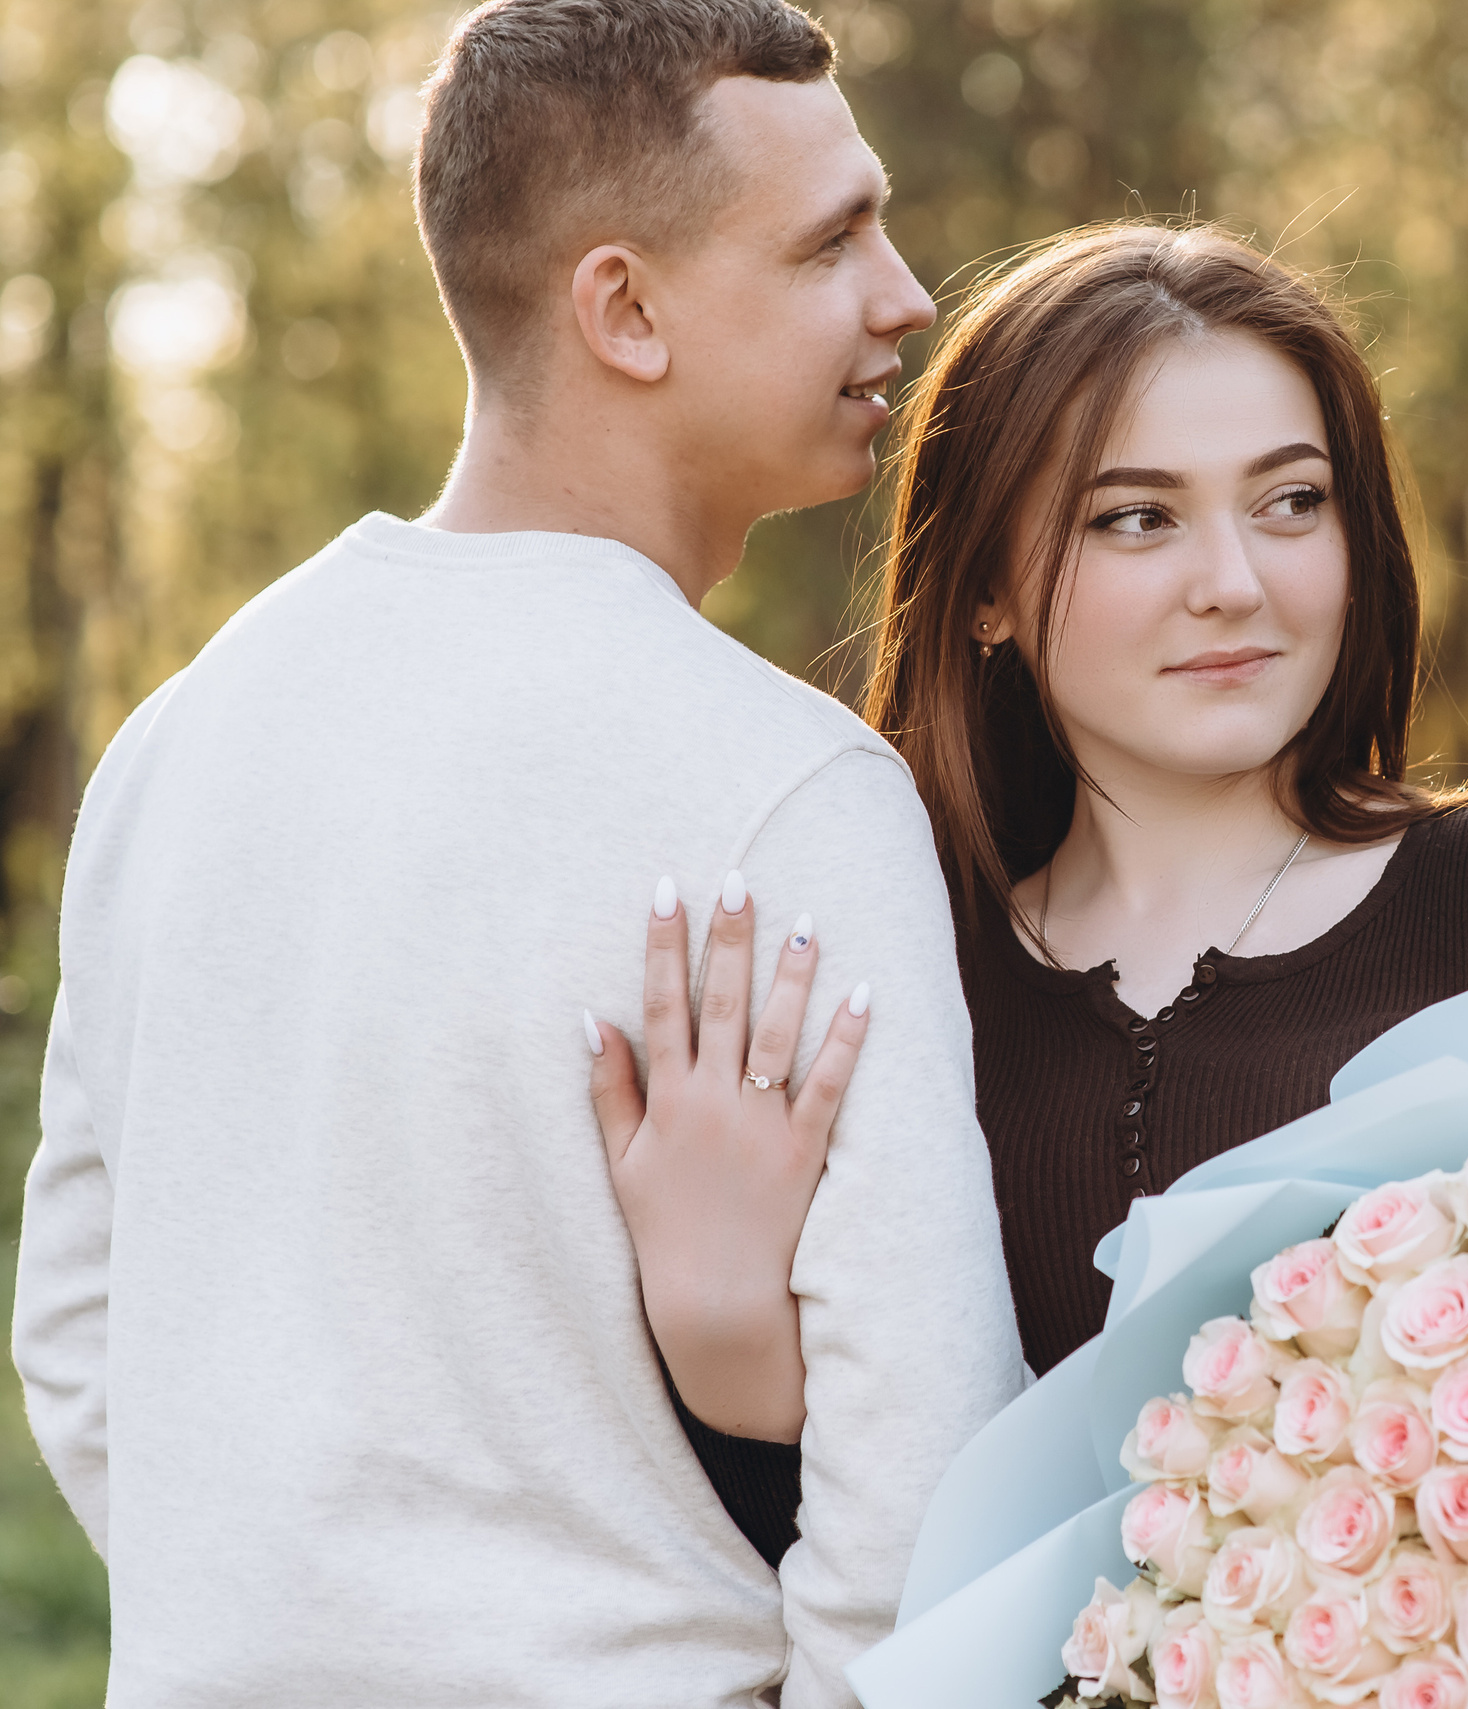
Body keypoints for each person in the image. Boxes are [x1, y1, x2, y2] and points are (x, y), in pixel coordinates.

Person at [595, 222, 1468, 1530]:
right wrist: (726, 1355)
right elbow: (832, 1577)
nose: (1234, 583)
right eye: (1136, 518)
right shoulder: (894, 992)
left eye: (1293, 501)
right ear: (986, 588)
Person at [9, 2, 1018, 1703]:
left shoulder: (177, 740)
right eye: (834, 237)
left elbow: (78, 1337)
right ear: (623, 309)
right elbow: (924, 1455)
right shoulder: (791, 789)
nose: (905, 295)